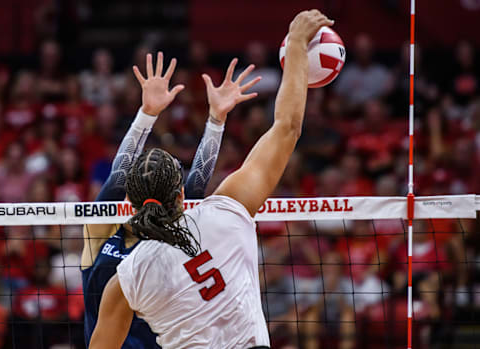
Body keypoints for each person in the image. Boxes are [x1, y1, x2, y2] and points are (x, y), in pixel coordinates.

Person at [89, 10, 332, 348]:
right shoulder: (226, 211)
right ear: (181, 196)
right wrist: (295, 46)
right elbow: (287, 128)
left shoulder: (126, 278)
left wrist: (153, 115)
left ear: (128, 203)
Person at [81, 51, 245, 348]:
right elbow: (197, 183)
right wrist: (216, 119)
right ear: (179, 198)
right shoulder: (179, 237)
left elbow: (115, 179)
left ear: (128, 197)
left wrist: (147, 114)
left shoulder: (101, 233)